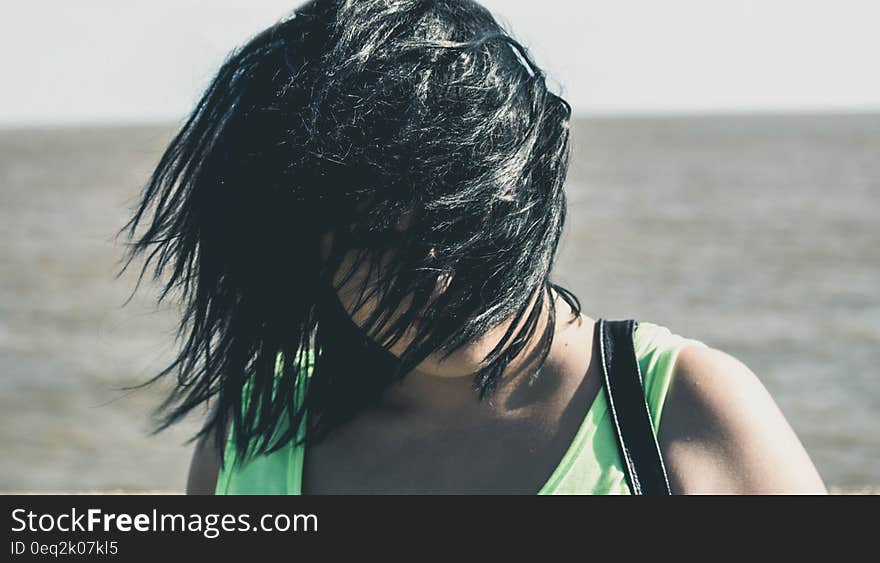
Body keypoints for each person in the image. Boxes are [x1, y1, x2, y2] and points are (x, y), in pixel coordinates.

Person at [121, 0, 827, 494]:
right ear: (305, 240)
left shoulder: (673, 410)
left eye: (460, 214)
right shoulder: (254, 428)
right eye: (370, 230)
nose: (434, 273)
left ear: (525, 191)